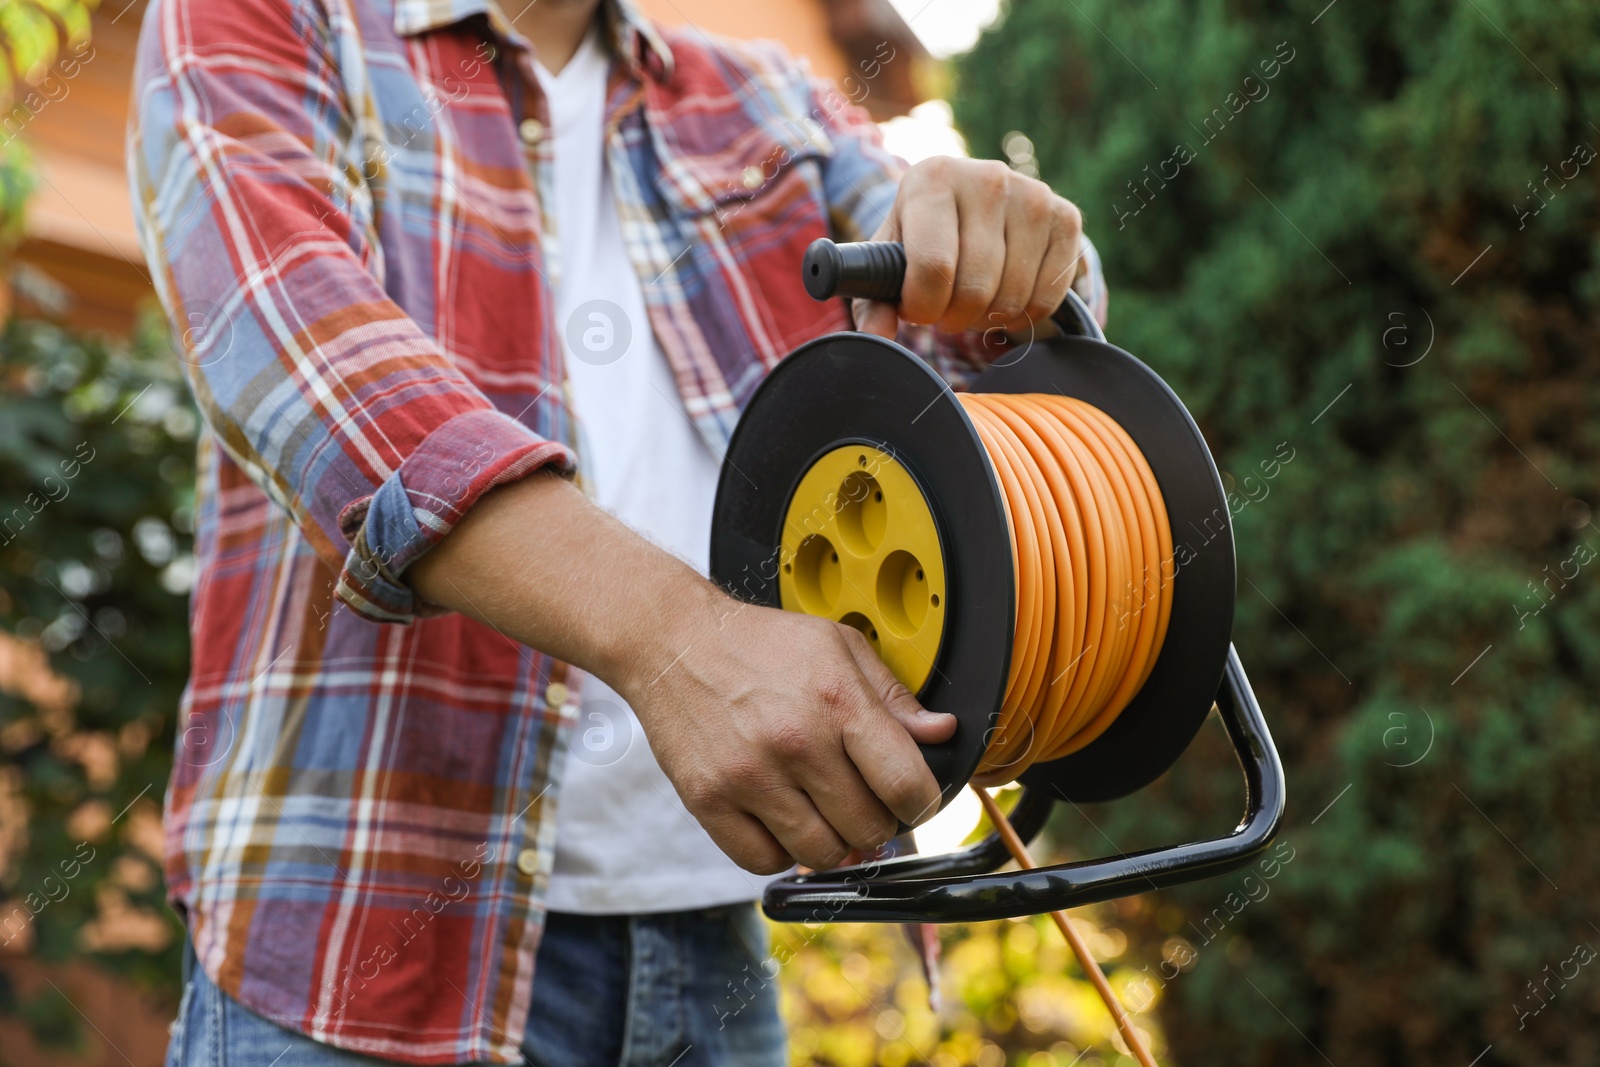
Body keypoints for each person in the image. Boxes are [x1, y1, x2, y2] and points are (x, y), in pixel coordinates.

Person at [130, 0, 1106, 1063]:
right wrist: (676, 637)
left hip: (721, 959)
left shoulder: (775, 101)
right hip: (357, 958)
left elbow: (996, 367)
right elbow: (308, 361)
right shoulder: (260, 19)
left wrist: (1017, 254)